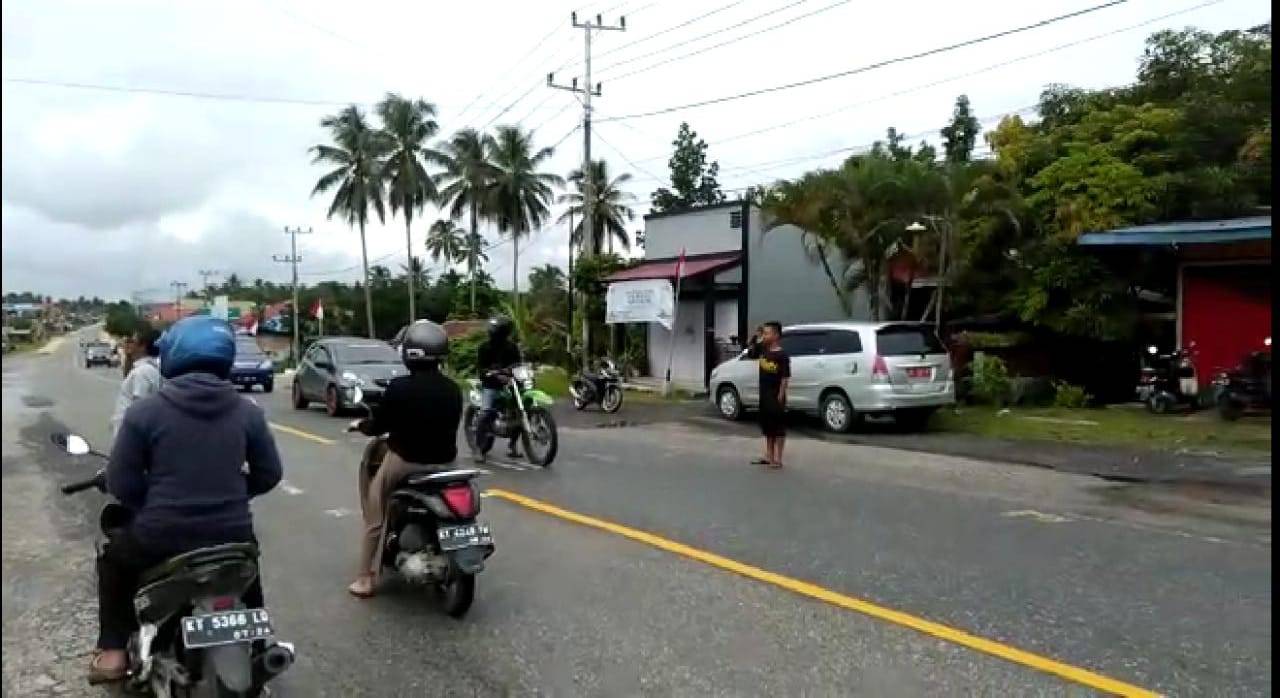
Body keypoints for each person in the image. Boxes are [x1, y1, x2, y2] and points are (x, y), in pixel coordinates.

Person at [90, 316, 283, 684]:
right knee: (246, 569)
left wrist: (151, 501)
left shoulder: (144, 412)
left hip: (161, 536)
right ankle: (257, 643)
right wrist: (232, 492)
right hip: (232, 533)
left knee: (113, 560)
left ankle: (113, 650)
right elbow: (269, 474)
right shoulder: (248, 412)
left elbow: (121, 481)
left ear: (174, 356)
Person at [348, 320, 461, 599]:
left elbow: (378, 425)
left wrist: (360, 425)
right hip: (446, 463)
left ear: (409, 353)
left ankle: (365, 578)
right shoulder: (453, 389)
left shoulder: (399, 388)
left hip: (406, 462)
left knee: (376, 513)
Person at [473, 315, 523, 462]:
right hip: (491, 385)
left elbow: (518, 364)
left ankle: (512, 446)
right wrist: (493, 374)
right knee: (486, 412)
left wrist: (513, 372)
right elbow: (481, 370)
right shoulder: (484, 348)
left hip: (511, 383)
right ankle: (479, 449)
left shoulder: (512, 347)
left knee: (520, 411)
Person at [109, 326, 162, 439]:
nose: (125, 344)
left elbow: (139, 409)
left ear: (142, 346)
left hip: (130, 438)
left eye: (130, 341)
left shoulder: (142, 372)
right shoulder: (146, 369)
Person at [752, 321, 790, 469]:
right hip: (764, 394)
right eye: (764, 333)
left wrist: (781, 394)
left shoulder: (782, 355)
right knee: (767, 427)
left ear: (776, 335)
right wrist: (756, 338)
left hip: (776, 395)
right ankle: (769, 456)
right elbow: (751, 353)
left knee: (778, 427)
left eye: (767, 333)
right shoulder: (762, 350)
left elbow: (785, 377)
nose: (765, 336)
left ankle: (779, 459)